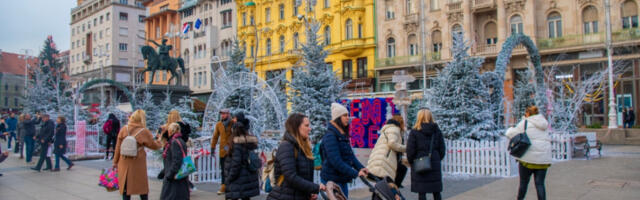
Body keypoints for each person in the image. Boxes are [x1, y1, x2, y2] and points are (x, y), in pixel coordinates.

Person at [267, 113, 326, 200]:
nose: (309, 129)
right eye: (306, 126)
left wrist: (308, 193)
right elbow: (291, 177)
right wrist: (315, 187)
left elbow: (302, 177)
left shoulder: (301, 147)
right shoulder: (287, 146)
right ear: (296, 127)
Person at [112, 109, 163, 200]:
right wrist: (160, 141)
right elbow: (153, 145)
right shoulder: (144, 131)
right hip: (138, 163)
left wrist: (115, 162)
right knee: (142, 187)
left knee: (126, 188)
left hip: (124, 161)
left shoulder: (124, 129)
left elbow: (118, 147)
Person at [320, 103, 369, 198]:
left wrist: (361, 168)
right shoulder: (330, 136)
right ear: (338, 118)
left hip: (340, 178)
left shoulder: (341, 134)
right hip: (331, 180)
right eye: (345, 115)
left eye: (348, 115)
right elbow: (336, 161)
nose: (348, 118)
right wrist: (355, 173)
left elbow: (350, 156)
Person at [506, 105, 551, 200]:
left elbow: (510, 134)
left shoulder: (525, 122)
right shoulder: (544, 123)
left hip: (528, 160)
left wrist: (510, 128)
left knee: (523, 183)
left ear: (528, 113)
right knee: (540, 184)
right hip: (543, 160)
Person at [406, 109, 446, 200]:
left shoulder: (414, 132)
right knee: (436, 192)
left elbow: (410, 150)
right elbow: (442, 149)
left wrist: (412, 161)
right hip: (434, 162)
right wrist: (437, 158)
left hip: (420, 163)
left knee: (422, 192)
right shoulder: (437, 131)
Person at [224, 111, 260, 200]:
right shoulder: (250, 141)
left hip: (238, 179)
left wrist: (229, 178)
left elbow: (236, 164)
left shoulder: (236, 144)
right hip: (248, 177)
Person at [366, 114, 407, 182]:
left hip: (380, 158)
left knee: (382, 185)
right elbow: (392, 143)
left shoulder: (388, 128)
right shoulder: (394, 129)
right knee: (385, 186)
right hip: (384, 160)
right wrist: (405, 148)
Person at [160, 123, 190, 200]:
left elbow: (177, 161)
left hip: (174, 179)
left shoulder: (174, 142)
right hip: (179, 178)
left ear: (171, 131)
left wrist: (170, 174)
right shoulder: (180, 140)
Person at [210, 109, 233, 195]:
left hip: (231, 151)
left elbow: (235, 135)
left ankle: (230, 186)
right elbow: (215, 136)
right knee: (223, 170)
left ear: (228, 114)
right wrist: (212, 147)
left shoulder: (232, 123)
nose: (222, 115)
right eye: (221, 114)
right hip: (222, 151)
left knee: (231, 169)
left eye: (224, 114)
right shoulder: (219, 124)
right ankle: (224, 186)